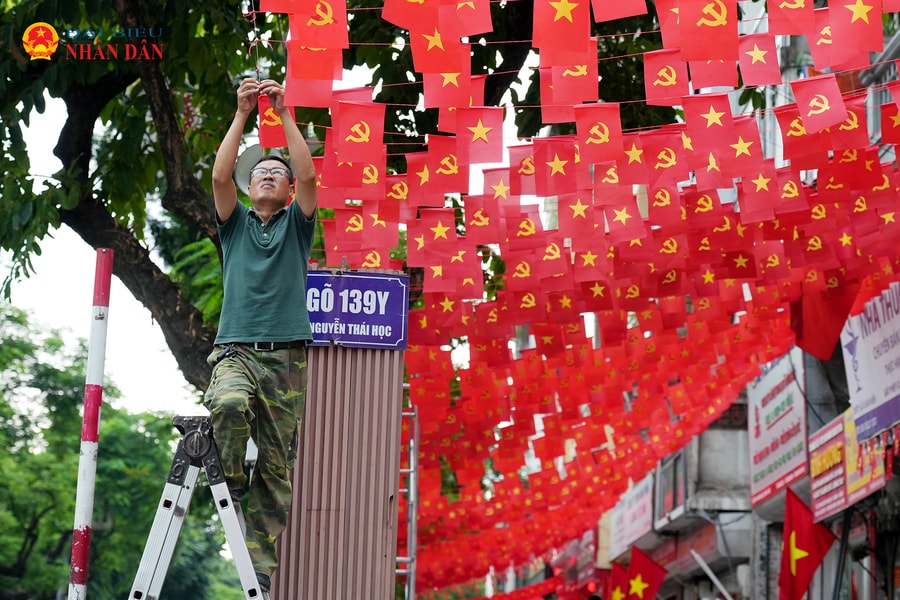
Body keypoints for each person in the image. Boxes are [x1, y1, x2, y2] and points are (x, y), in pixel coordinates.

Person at [205, 77, 317, 597]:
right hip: (237, 350)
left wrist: (284, 112)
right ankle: (227, 484)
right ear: (251, 189)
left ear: (289, 190)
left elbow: (310, 173)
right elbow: (220, 173)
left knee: (276, 469)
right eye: (262, 173)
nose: (269, 175)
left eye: (278, 173)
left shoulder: (297, 224)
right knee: (226, 403)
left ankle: (259, 566)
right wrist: (242, 115)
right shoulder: (234, 225)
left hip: (287, 360)